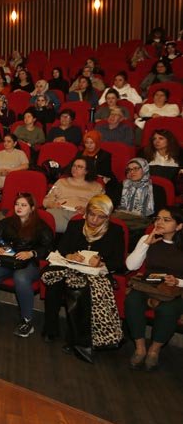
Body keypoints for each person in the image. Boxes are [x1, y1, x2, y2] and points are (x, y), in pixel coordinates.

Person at [41, 195, 126, 363]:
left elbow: (118, 261)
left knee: (79, 290)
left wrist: (101, 261)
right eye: (91, 214)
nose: (94, 220)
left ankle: (73, 339)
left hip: (95, 274)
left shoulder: (115, 231)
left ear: (107, 217)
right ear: (86, 212)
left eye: (100, 217)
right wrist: (71, 255)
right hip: (71, 267)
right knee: (54, 283)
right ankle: (50, 329)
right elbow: (62, 248)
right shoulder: (75, 225)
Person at [0, 194, 54, 336]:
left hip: (28, 263)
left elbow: (48, 247)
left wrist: (31, 253)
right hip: (7, 260)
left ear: (32, 208)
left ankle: (27, 320)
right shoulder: (6, 222)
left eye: (23, 205)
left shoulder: (40, 226)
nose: (19, 207)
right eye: (17, 204)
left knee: (21, 278)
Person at [124, 207, 183, 371]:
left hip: (174, 289)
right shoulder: (147, 238)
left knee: (168, 310)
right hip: (148, 283)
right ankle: (140, 348)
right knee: (132, 300)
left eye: (166, 220)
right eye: (158, 219)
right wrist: (146, 243)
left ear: (179, 226)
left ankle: (154, 351)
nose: (159, 223)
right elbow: (130, 265)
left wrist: (177, 281)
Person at [42, 157, 104, 232]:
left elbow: (101, 206)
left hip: (83, 214)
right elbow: (47, 200)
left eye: (80, 167)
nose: (75, 168)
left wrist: (87, 210)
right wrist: (52, 205)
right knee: (47, 223)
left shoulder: (96, 187)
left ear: (87, 171)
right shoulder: (61, 182)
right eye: (74, 166)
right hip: (60, 211)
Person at [111, 158, 167, 237]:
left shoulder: (157, 190)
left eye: (136, 168)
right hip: (120, 219)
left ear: (145, 169)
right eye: (129, 170)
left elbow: (160, 212)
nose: (132, 172)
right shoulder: (122, 185)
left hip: (142, 223)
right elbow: (112, 204)